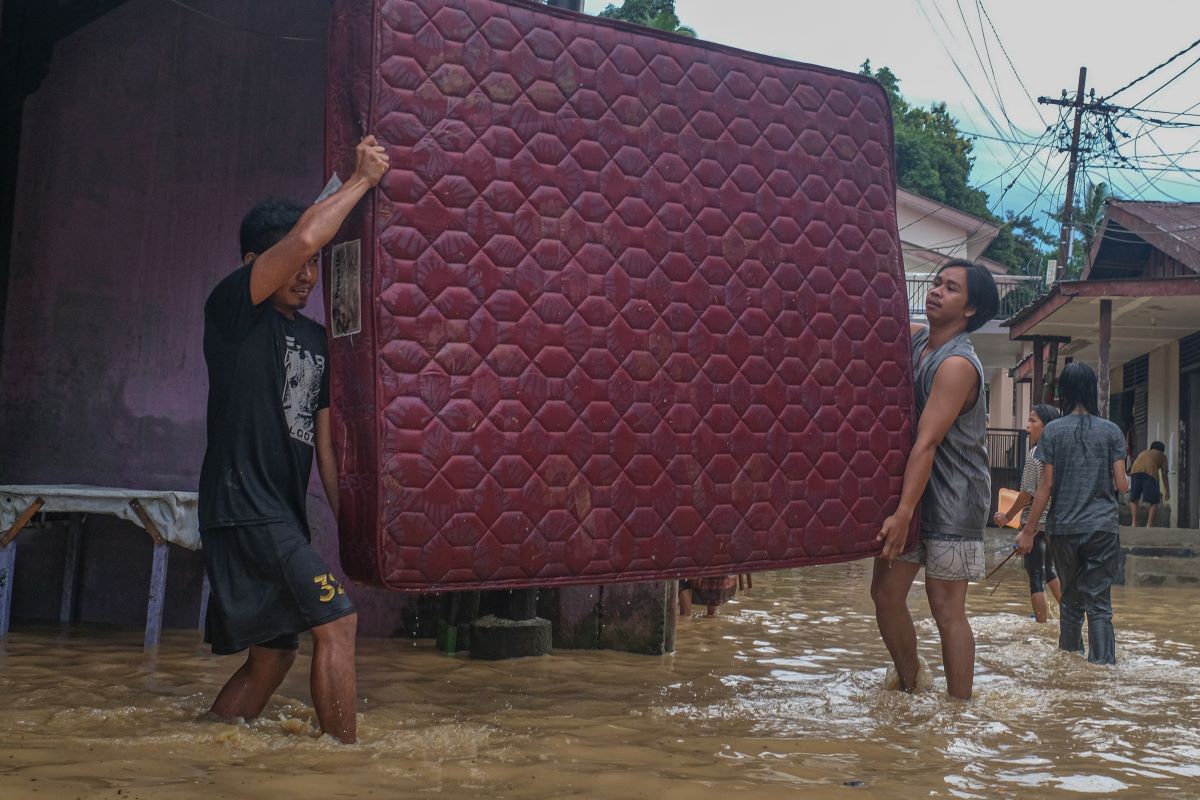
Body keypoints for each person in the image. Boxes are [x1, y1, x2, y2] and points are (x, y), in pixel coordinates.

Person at [199, 136, 389, 743]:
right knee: (339, 623)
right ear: (257, 260)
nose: (308, 274)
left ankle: (206, 745)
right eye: (296, 264)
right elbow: (306, 236)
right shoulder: (233, 310)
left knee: (272, 658)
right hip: (244, 508)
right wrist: (360, 181)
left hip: (278, 516)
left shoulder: (315, 339)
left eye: (314, 268)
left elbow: (326, 448)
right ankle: (343, 767)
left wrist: (352, 533)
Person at [872, 258, 998, 700]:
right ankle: (912, 686)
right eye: (937, 283)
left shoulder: (957, 365)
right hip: (914, 489)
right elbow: (878, 322)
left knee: (946, 609)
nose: (937, 291)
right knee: (885, 595)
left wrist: (904, 512)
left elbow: (926, 443)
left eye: (951, 288)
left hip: (955, 497)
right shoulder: (920, 341)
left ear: (970, 310)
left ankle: (959, 710)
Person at [1017, 362, 1129, 665]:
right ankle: (1103, 667)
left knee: (1070, 601)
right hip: (1103, 528)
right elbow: (1121, 483)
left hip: (1063, 528)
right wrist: (1127, 479)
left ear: (1063, 392)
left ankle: (1069, 661)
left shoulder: (1053, 432)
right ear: (1092, 391)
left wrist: (1027, 531)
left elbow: (1046, 486)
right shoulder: (1112, 432)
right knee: (1100, 604)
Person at [994, 404, 1063, 623]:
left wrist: (1007, 517)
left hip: (1035, 524)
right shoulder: (1060, 454)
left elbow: (1026, 494)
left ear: (1047, 426)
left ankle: (1041, 625)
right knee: (1050, 570)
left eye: (1033, 421)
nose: (1027, 426)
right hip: (1055, 524)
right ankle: (1071, 614)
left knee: (1035, 576)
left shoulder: (1036, 454)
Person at [1128, 441, 1169, 527]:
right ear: (1162, 450)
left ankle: (1134, 523)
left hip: (1134, 471)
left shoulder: (1144, 452)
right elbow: (1164, 474)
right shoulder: (1162, 456)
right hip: (1150, 473)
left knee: (1133, 499)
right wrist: (1167, 491)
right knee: (1154, 501)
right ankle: (1149, 525)